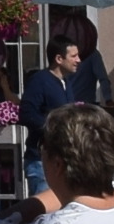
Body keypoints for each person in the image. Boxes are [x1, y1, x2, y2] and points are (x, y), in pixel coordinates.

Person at [17, 36, 103, 199]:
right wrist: (55, 129)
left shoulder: (66, 83)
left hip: (63, 160)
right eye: (73, 56)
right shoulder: (40, 81)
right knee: (45, 210)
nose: (78, 60)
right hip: (41, 162)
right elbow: (26, 114)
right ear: (58, 58)